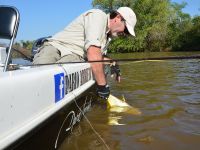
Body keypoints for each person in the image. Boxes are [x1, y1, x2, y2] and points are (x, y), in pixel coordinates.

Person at [33, 7, 137, 100]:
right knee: (37, 76)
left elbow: (99, 57)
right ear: (118, 17)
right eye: (126, 29)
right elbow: (93, 52)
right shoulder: (98, 16)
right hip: (54, 46)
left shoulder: (106, 38)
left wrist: (113, 63)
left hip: (75, 56)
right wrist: (102, 86)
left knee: (51, 81)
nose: (125, 33)